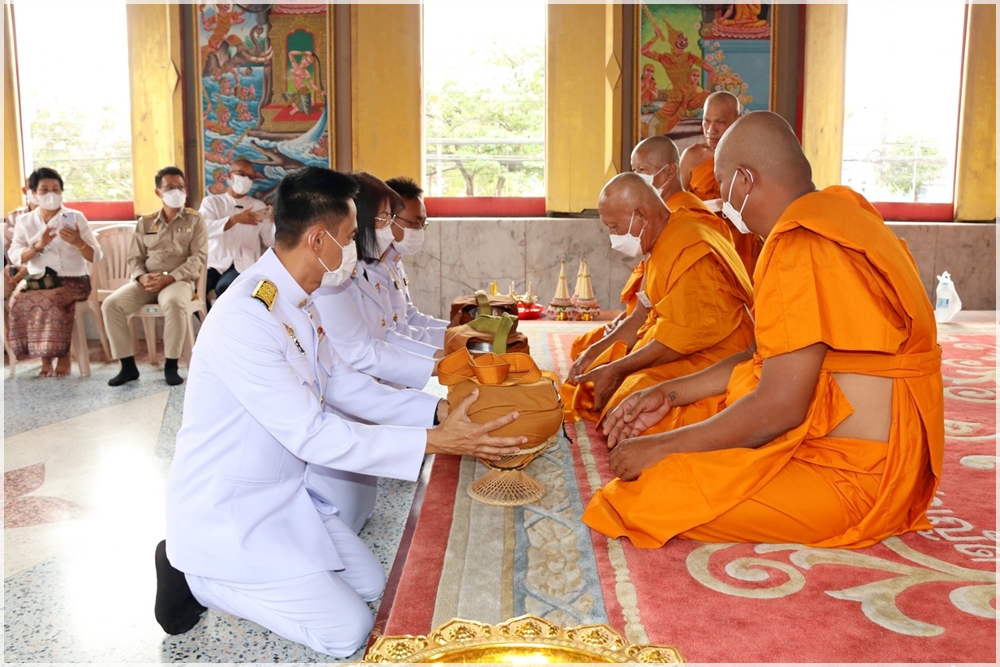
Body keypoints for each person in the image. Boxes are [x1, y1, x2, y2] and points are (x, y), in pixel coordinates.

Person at [157, 166, 526, 657]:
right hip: (229, 510)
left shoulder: (297, 300)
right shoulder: (247, 315)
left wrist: (437, 411)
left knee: (371, 584)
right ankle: (194, 575)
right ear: (317, 238)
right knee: (347, 630)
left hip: (283, 496)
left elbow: (343, 383)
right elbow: (311, 433)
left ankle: (270, 563)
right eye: (351, 237)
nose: (357, 248)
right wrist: (434, 443)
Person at [584, 111, 944, 550]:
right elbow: (762, 355)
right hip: (871, 448)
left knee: (639, 499)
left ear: (744, 180)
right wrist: (670, 393)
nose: (718, 198)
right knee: (678, 429)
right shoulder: (841, 213)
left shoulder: (801, 244)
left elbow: (779, 408)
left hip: (852, 477)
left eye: (720, 183)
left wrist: (663, 449)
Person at [566, 136, 739, 418]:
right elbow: (640, 316)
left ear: (641, 217)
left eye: (614, 227)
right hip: (674, 342)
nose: (613, 236)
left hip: (717, 354)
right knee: (596, 360)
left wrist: (617, 369)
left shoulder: (690, 246)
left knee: (629, 395)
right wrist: (594, 354)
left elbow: (679, 340)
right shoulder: (659, 239)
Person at [102, 167, 208, 387]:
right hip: (147, 282)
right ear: (158, 192)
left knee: (173, 302)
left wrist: (170, 277)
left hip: (178, 281)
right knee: (112, 305)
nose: (176, 191)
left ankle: (171, 365)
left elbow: (198, 258)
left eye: (180, 187)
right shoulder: (146, 222)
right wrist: (141, 278)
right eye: (170, 187)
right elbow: (134, 258)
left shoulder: (195, 220)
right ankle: (127, 366)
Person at [7, 168, 102, 377]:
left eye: (55, 189)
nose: (51, 194)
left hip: (73, 280)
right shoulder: (25, 221)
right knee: (17, 300)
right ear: (33, 193)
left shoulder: (75, 217)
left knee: (51, 299)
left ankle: (63, 354)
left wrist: (78, 242)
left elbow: (96, 256)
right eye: (44, 189)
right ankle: (44, 358)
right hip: (37, 279)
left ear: (62, 192)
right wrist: (38, 245)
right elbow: (15, 256)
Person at [679, 90, 763, 279]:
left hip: (742, 247)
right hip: (704, 244)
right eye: (706, 121)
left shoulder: (752, 157)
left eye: (720, 122)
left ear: (737, 120)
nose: (711, 130)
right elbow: (677, 203)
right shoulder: (693, 157)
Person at [383, 176, 449, 345]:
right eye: (414, 222)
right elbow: (389, 333)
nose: (419, 230)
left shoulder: (395, 260)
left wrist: (455, 330)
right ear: (387, 218)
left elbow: (409, 316)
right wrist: (453, 336)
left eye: (423, 224)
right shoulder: (372, 265)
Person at [198, 159, 273, 303]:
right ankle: (209, 323)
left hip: (242, 264)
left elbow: (270, 240)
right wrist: (234, 220)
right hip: (214, 263)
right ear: (229, 176)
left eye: (250, 177)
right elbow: (202, 230)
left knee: (226, 288)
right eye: (241, 174)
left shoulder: (258, 206)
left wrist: (275, 223)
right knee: (195, 293)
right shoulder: (212, 203)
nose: (246, 179)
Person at [4, 178, 36, 298]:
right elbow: (8, 248)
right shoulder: (14, 217)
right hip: (17, 269)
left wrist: (30, 268)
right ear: (25, 190)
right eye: (34, 187)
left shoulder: (64, 217)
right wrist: (7, 268)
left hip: (46, 269)